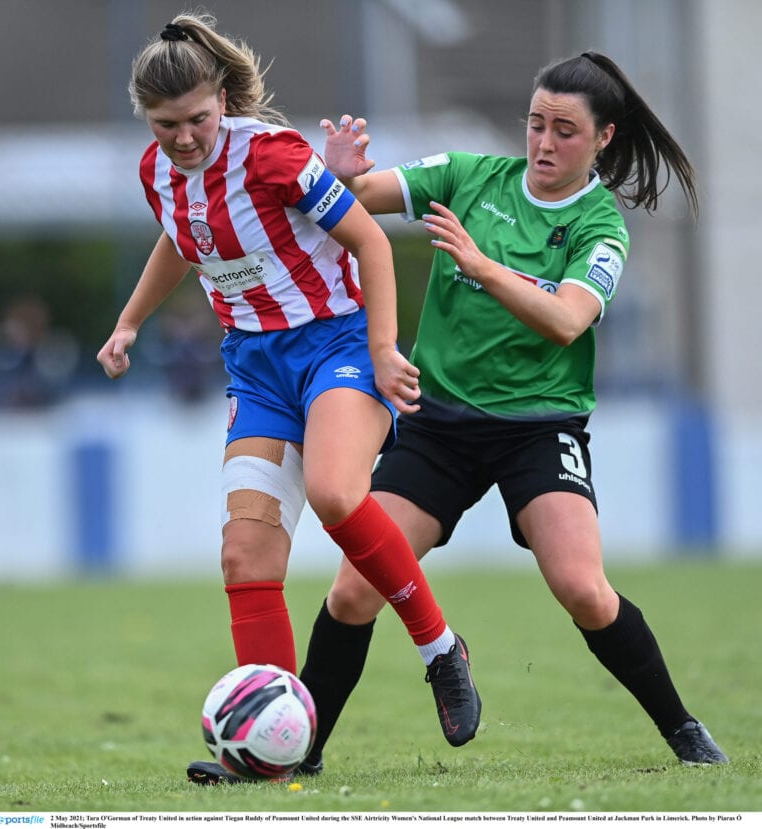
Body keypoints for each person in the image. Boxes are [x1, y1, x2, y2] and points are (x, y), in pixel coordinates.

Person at [290, 50, 729, 775]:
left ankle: (684, 730)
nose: (544, 143)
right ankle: (301, 751)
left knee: (584, 589)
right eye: (535, 124)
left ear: (603, 139)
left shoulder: (600, 227)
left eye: (564, 130)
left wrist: (482, 264)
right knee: (353, 587)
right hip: (439, 423)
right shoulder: (469, 176)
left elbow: (566, 321)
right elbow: (357, 200)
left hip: (540, 426)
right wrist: (337, 172)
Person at [95, 11, 481, 785]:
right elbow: (182, 237)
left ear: (222, 103)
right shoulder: (155, 171)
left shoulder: (272, 154)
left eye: (199, 120)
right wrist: (129, 322)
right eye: (167, 124)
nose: (184, 138)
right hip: (257, 369)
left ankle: (440, 648)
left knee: (336, 492)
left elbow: (370, 240)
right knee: (244, 556)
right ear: (147, 116)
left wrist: (380, 349)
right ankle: (270, 760)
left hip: (337, 346)